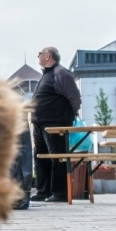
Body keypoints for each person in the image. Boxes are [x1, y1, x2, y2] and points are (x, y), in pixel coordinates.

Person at [30, 47, 82, 203]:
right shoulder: (46, 74)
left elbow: (75, 98)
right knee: (40, 157)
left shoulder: (61, 73)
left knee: (57, 157)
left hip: (55, 122)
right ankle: (43, 191)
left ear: (47, 56)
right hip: (39, 123)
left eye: (39, 54)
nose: (38, 56)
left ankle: (60, 193)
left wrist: (67, 117)